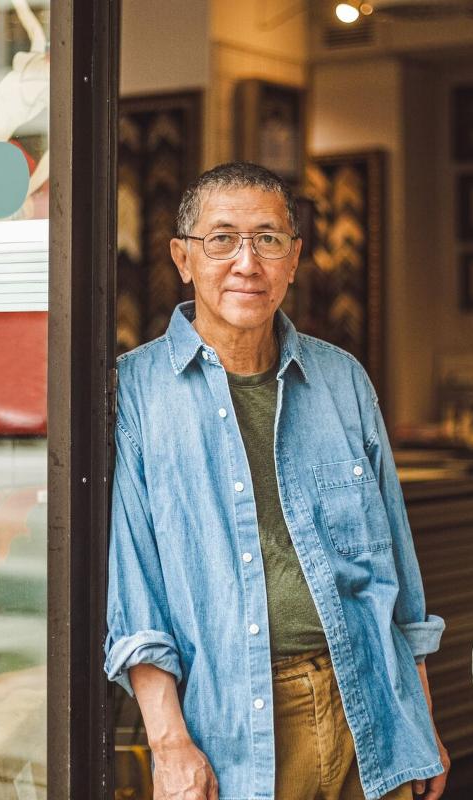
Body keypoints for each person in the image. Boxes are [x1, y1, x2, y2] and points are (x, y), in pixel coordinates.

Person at [104, 162, 450, 800]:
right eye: (222, 239)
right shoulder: (137, 393)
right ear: (183, 258)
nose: (246, 261)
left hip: (368, 704)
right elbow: (134, 593)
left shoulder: (342, 379)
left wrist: (418, 722)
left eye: (267, 239)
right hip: (231, 725)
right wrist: (169, 742)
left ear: (294, 259)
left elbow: (397, 570)